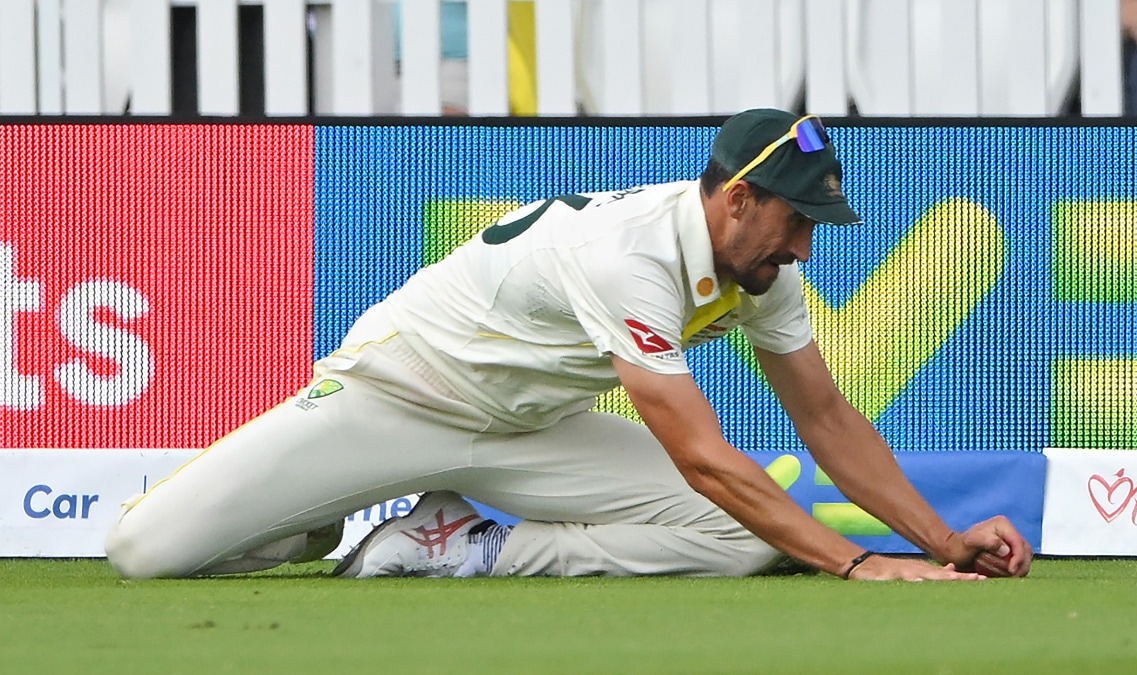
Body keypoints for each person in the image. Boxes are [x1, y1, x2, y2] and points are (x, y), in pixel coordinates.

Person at [104, 109, 1032, 582]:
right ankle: (308, 516)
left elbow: (826, 417)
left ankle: (466, 545)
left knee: (741, 541)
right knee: (141, 551)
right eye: (797, 220)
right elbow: (703, 455)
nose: (803, 248)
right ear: (738, 199)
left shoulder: (762, 272)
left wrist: (946, 545)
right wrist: (862, 564)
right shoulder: (630, 257)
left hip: (531, 427)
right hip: (399, 394)